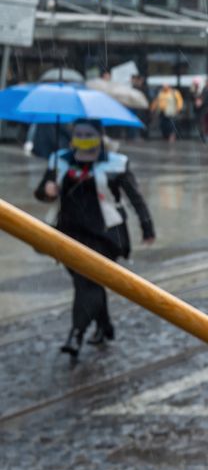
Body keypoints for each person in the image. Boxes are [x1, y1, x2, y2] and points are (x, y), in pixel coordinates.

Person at [35, 118, 155, 358]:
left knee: (87, 281)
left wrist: (146, 226)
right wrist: (47, 191)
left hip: (106, 235)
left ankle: (76, 334)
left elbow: (135, 197)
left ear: (100, 136)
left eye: (89, 134)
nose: (83, 139)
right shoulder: (59, 161)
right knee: (90, 282)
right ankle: (104, 325)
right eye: (78, 134)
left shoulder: (116, 164)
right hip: (68, 233)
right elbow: (42, 193)